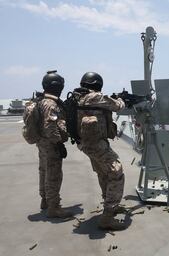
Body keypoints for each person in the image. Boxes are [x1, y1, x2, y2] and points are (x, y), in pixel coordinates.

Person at [76, 72, 126, 230]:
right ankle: (108, 216)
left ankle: (109, 203)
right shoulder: (94, 97)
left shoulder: (79, 96)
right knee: (116, 172)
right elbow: (117, 106)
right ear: (97, 84)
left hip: (86, 142)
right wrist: (121, 99)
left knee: (103, 173)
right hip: (96, 144)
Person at [37, 70, 73, 218]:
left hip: (42, 143)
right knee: (54, 175)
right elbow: (50, 127)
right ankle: (54, 207)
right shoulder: (51, 104)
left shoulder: (41, 101)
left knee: (44, 171)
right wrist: (59, 144)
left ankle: (45, 200)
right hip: (51, 144)